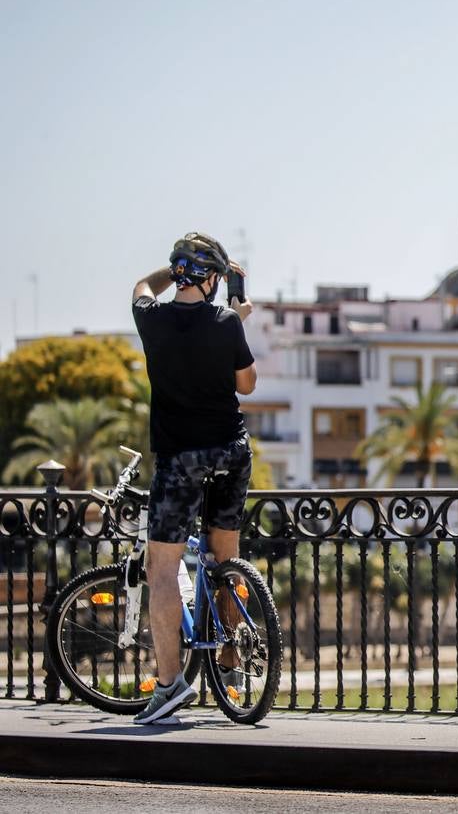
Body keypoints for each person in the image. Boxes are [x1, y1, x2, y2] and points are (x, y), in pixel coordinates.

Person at [129, 232, 257, 725]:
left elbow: (141, 284)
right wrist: (234, 326)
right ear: (212, 279)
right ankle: (230, 665)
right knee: (225, 558)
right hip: (232, 450)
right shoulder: (226, 322)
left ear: (180, 275)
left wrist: (173, 269)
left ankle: (169, 684)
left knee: (161, 570)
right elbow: (246, 384)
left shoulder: (151, 319)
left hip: (180, 459)